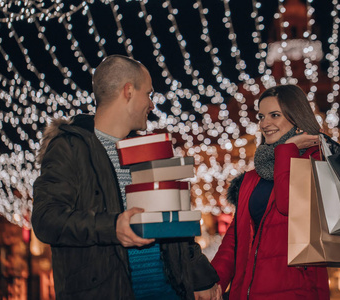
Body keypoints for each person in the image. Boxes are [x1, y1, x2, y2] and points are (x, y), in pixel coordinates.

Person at [32, 55, 222, 300]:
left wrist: (201, 277)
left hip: (169, 292)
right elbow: (46, 219)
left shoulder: (150, 149)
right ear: (128, 91)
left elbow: (175, 226)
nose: (152, 105)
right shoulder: (70, 146)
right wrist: (112, 227)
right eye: (149, 93)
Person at [211, 85, 330, 299]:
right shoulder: (252, 177)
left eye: (274, 115)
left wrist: (288, 149)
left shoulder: (317, 163)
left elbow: (288, 206)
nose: (265, 123)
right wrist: (215, 282)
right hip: (248, 292)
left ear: (296, 118)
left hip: (295, 293)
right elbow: (235, 239)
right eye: (261, 116)